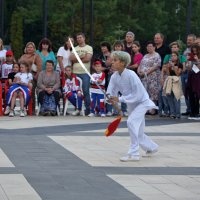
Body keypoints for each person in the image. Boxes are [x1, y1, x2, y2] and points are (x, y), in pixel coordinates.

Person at [107, 51, 158, 162]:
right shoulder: (114, 76)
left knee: (131, 123)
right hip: (131, 104)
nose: (112, 62)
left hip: (142, 103)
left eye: (115, 60)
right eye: (113, 60)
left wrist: (119, 99)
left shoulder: (131, 75)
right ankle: (152, 147)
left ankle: (134, 154)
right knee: (138, 131)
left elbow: (137, 94)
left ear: (123, 63)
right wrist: (110, 98)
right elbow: (111, 91)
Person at [70, 33, 93, 115]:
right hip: (75, 73)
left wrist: (77, 58)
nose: (79, 39)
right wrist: (82, 56)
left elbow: (87, 59)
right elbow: (71, 58)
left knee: (86, 91)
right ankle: (78, 109)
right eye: (77, 38)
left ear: (84, 38)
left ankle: (88, 109)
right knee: (76, 92)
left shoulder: (89, 47)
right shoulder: (74, 48)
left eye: (80, 37)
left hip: (85, 73)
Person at [138, 41, 161, 115]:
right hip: (144, 78)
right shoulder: (145, 56)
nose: (149, 48)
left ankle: (153, 109)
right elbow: (140, 65)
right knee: (145, 93)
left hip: (153, 77)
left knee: (153, 93)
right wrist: (139, 71)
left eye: (151, 46)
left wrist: (146, 73)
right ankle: (147, 109)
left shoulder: (157, 55)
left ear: (154, 47)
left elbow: (156, 66)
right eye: (148, 46)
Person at [19, 42, 42, 114]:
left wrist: (35, 77)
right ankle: (24, 108)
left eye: (31, 47)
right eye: (28, 47)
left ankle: (32, 109)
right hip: (22, 76)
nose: (29, 48)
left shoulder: (36, 56)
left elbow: (39, 68)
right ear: (26, 48)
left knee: (31, 92)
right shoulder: (23, 56)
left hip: (31, 77)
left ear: (34, 49)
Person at [163, 52, 183, 119]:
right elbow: (168, 74)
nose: (173, 57)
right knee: (169, 97)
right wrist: (168, 68)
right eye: (172, 56)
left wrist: (174, 67)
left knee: (176, 98)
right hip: (169, 80)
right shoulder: (169, 64)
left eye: (174, 55)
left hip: (176, 81)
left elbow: (178, 74)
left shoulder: (179, 64)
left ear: (177, 57)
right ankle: (172, 113)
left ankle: (178, 114)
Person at [182, 34, 196, 116]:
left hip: (192, 73)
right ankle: (188, 109)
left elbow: (196, 63)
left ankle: (193, 110)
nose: (188, 41)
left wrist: (194, 71)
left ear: (194, 41)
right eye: (187, 39)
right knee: (185, 92)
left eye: (190, 40)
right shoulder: (186, 50)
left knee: (192, 92)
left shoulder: (195, 51)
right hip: (185, 73)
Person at [187, 44, 200, 120]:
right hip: (191, 76)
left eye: (196, 50)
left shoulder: (198, 57)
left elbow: (198, 69)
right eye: (193, 50)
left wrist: (197, 60)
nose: (194, 52)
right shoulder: (191, 57)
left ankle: (197, 112)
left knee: (197, 95)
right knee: (191, 94)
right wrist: (188, 61)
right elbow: (188, 69)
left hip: (198, 77)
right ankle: (192, 112)